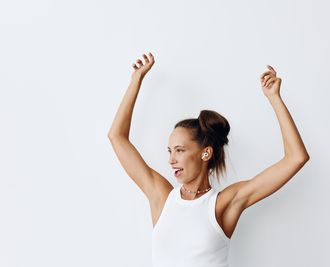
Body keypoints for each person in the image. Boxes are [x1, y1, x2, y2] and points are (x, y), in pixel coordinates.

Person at [108, 52, 310, 267]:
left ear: (205, 153)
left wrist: (274, 98)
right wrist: (136, 80)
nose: (171, 160)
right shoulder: (161, 197)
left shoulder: (223, 203)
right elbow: (116, 137)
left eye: (180, 150)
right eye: (170, 151)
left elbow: (296, 158)